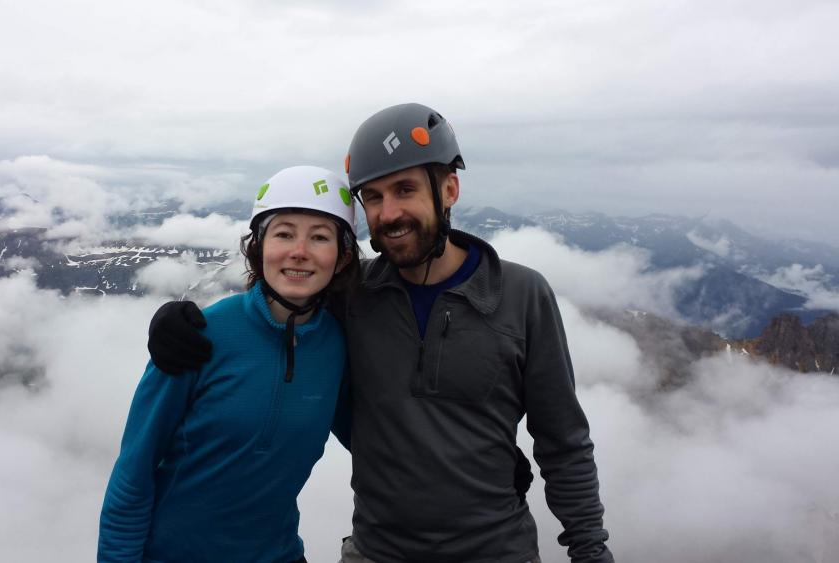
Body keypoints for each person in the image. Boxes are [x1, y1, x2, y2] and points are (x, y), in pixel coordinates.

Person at [149, 104, 613, 563]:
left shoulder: (521, 295)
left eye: (405, 189)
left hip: (497, 549)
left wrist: (590, 550)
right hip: (377, 550)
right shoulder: (351, 294)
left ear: (449, 189)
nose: (388, 213)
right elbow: (277, 303)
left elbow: (563, 441)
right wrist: (177, 321)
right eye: (371, 197)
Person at [98, 165, 360, 563]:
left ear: (341, 259)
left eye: (319, 237)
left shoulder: (337, 346)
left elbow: (371, 440)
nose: (299, 251)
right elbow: (134, 473)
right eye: (284, 233)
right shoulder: (198, 336)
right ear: (258, 247)